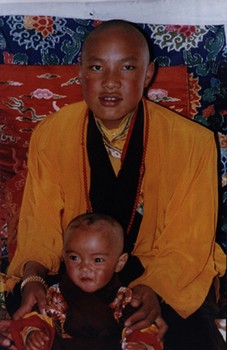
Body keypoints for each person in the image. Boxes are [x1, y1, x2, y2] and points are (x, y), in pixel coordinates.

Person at [1, 19, 226, 350]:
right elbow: (41, 226)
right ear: (80, 72)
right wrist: (33, 276)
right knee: (35, 321)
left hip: (160, 271)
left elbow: (188, 243)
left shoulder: (193, 142)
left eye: (127, 68)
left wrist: (155, 290)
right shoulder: (52, 133)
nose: (110, 83)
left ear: (148, 74)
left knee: (179, 331)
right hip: (81, 268)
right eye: (96, 67)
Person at [9, 212, 163, 350]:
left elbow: (142, 328)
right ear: (64, 256)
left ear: (119, 263)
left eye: (97, 260)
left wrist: (143, 345)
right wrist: (32, 334)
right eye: (74, 258)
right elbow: (36, 318)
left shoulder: (124, 298)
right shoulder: (56, 294)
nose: (84, 268)